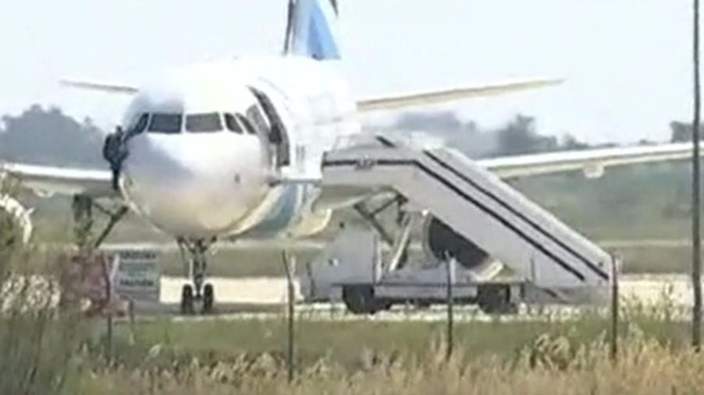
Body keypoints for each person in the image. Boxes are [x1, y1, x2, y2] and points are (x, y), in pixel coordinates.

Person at [102, 127, 128, 191]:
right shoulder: (114, 139)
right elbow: (109, 149)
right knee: (116, 172)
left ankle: (116, 185)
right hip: (114, 158)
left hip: (115, 158)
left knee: (116, 173)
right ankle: (115, 186)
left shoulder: (119, 139)